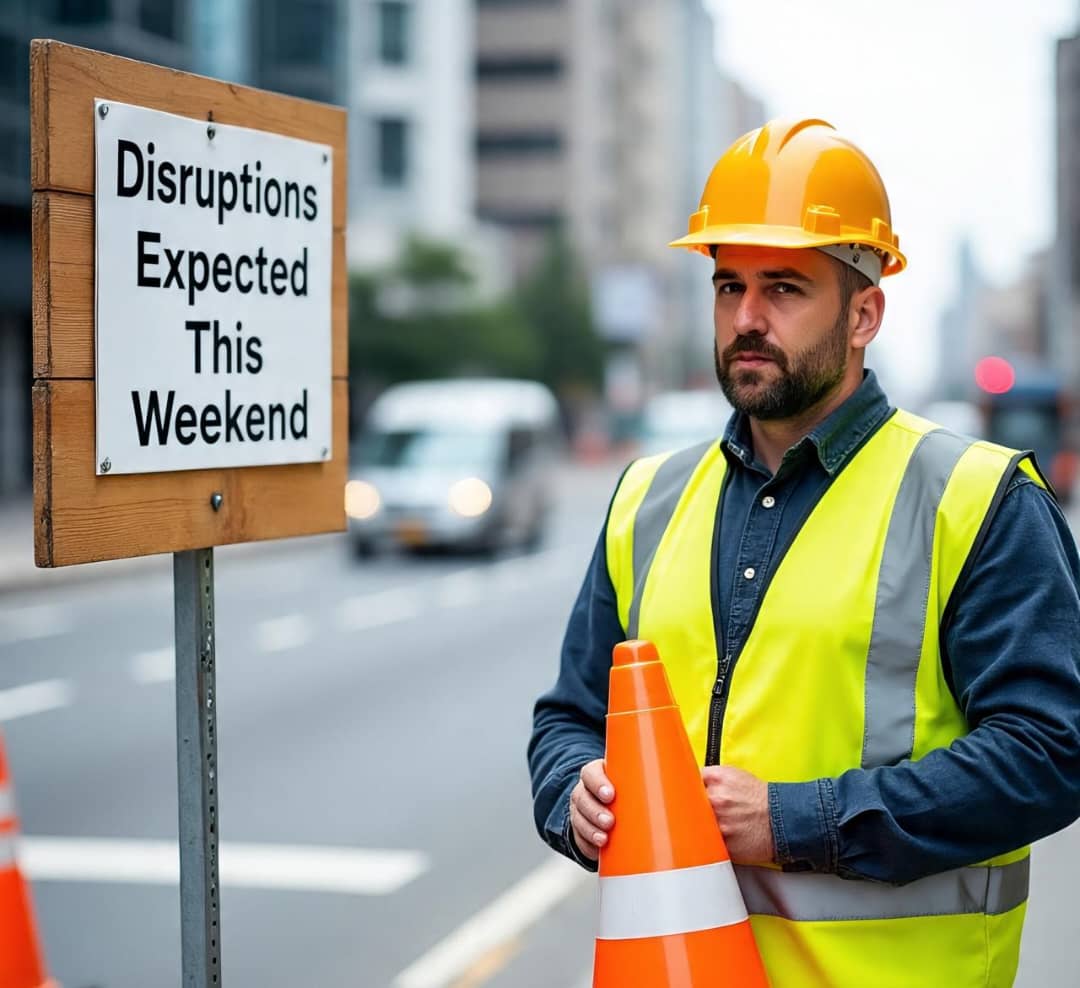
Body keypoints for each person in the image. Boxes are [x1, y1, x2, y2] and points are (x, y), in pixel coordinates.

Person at [528, 118, 1080, 987]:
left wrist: (797, 820)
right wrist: (572, 794)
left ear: (864, 313)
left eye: (783, 288)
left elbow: (1052, 750)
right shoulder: (646, 499)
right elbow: (568, 717)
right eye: (728, 286)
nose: (746, 319)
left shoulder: (977, 498)